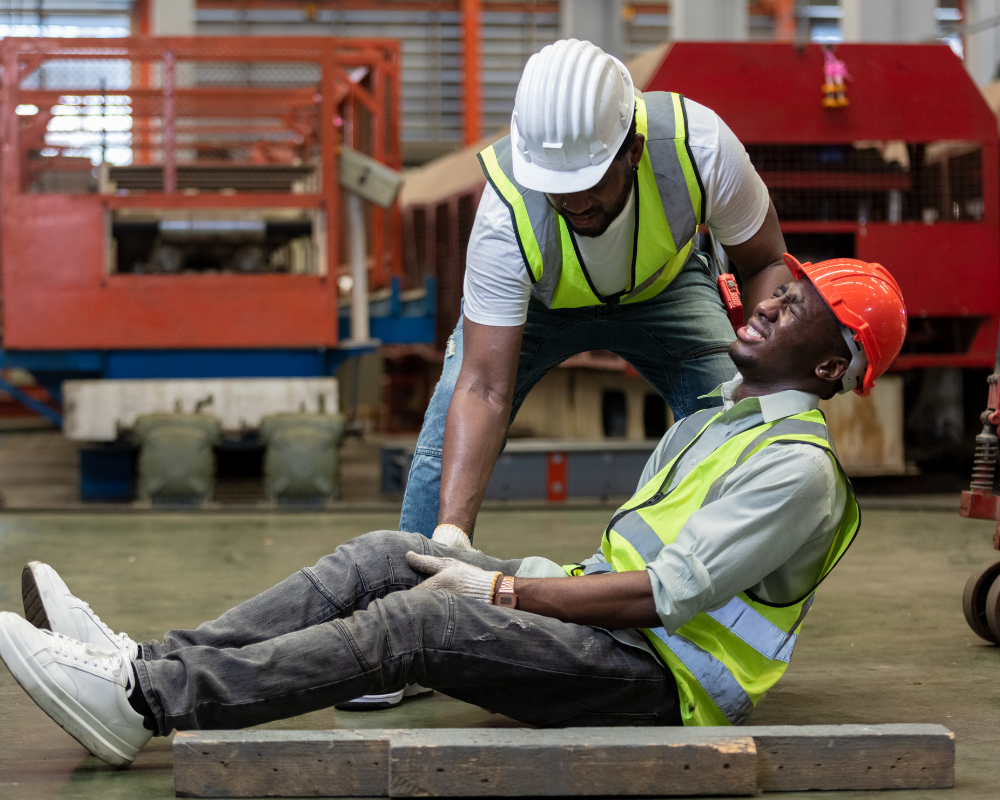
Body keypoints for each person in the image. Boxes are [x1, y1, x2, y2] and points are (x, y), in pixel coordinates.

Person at [0, 256, 906, 769]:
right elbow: (612, 570)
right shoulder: (719, 426)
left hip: (659, 686)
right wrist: (514, 579)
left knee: (416, 623)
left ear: (831, 369)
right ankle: (144, 661)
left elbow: (658, 597)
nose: (764, 305)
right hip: (608, 637)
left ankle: (146, 701)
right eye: (779, 290)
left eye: (794, 310)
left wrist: (502, 592)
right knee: (391, 556)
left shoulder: (797, 473)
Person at [405, 38, 791, 548]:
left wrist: (768, 375)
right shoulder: (505, 215)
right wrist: (450, 536)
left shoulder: (698, 147)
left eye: (589, 179)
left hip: (665, 291)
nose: (572, 199)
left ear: (633, 150)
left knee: (733, 415)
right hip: (539, 309)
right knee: (443, 447)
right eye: (555, 182)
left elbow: (765, 261)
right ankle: (413, 587)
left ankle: (725, 574)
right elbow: (484, 389)